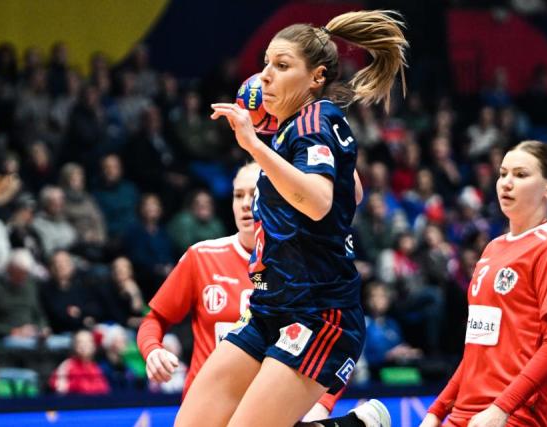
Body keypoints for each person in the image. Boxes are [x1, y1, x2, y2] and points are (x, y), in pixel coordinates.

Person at [180, 10, 408, 427]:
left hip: (318, 315)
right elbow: (350, 192)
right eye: (265, 63)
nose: (266, 75)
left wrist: (253, 143)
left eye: (282, 66)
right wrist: (277, 141)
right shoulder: (294, 129)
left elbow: (320, 201)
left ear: (316, 77)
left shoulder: (316, 121)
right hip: (270, 306)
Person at [138, 163, 341, 419]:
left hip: (269, 410)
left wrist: (322, 405)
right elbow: (155, 318)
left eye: (254, 193)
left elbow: (334, 344)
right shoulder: (201, 256)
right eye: (238, 195)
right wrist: (153, 350)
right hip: (207, 408)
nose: (246, 203)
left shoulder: (302, 267)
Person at [420, 140, 547, 427]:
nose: (506, 183)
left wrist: (501, 408)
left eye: (520, 175)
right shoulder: (492, 249)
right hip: (468, 414)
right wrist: (437, 410)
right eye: (503, 173)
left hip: (516, 416)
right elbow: (478, 348)